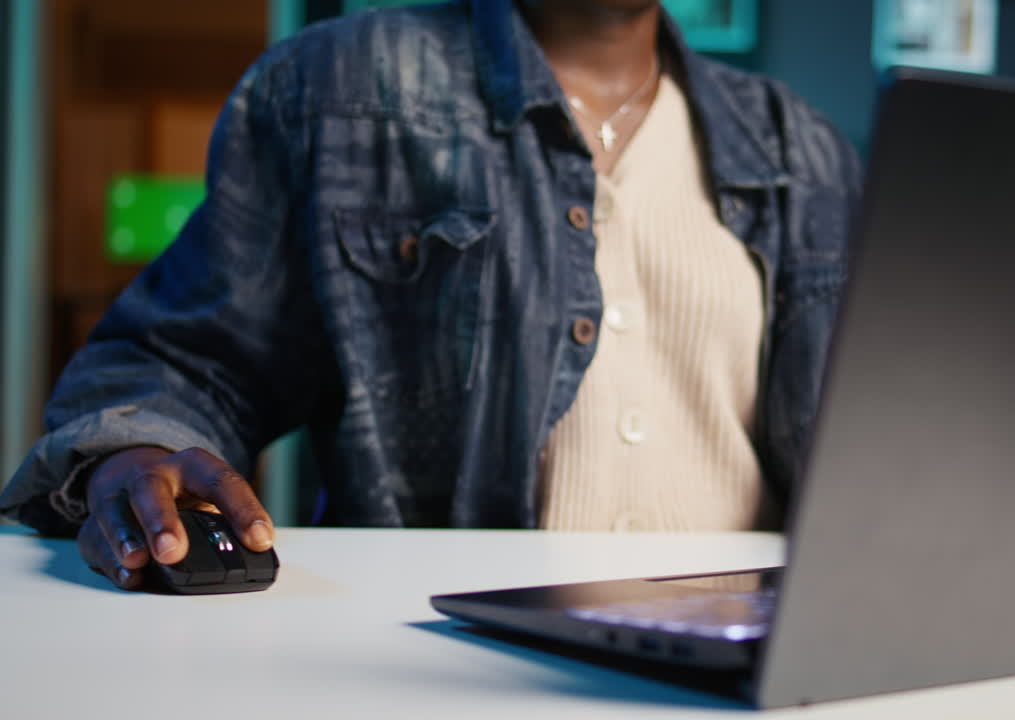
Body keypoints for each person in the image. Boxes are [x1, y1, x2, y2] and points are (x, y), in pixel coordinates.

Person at [0, 0, 861, 590]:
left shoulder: (801, 146)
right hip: (443, 666)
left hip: (745, 668)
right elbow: (188, 360)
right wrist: (135, 451)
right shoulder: (334, 90)